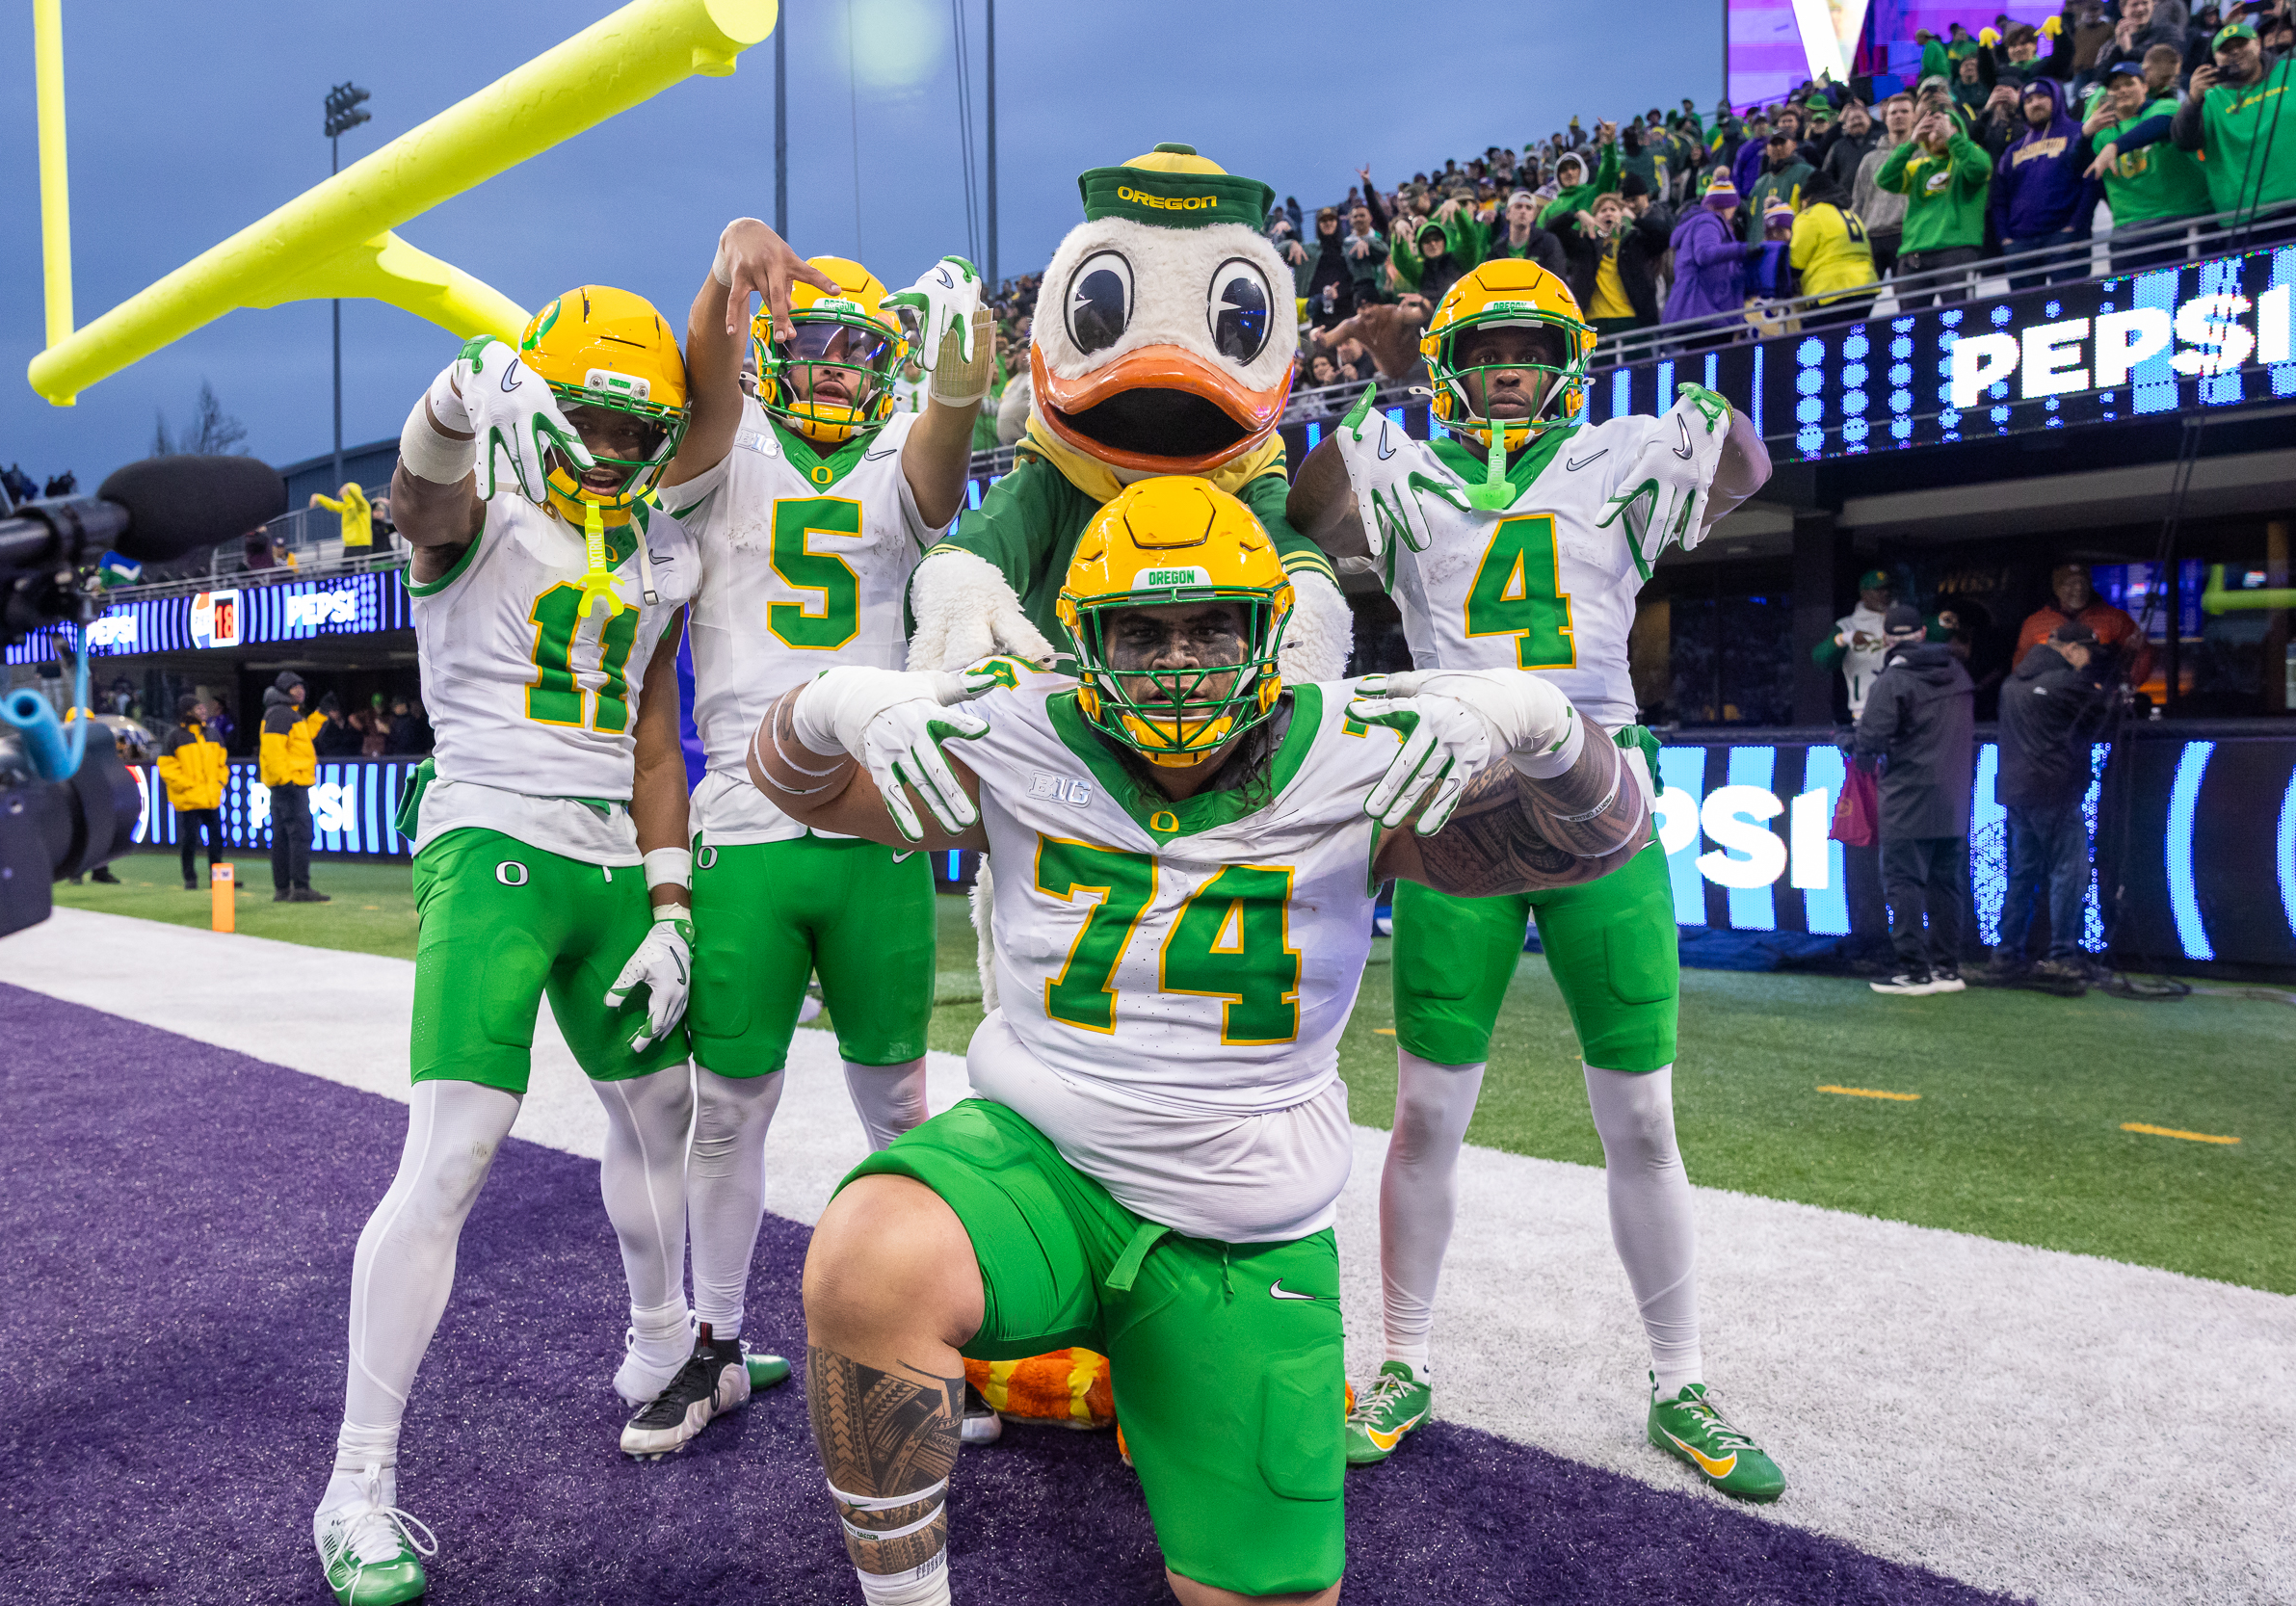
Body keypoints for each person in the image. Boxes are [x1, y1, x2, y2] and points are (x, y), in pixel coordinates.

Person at [768, 474, 1655, 1606]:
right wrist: (832, 701)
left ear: (1268, 634)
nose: (1176, 659)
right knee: (868, 1247)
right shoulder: (1015, 730)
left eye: (1207, 625)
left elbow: (1600, 843)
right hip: (1042, 1159)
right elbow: (801, 788)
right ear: (1085, 639)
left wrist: (1541, 723)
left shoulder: (1362, 750)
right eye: (1140, 629)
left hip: (1242, 1215)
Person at [1286, 261, 1784, 1499]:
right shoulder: (1401, 463)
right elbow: (1309, 508)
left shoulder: (1619, 455)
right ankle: (1404, 1361)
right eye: (1488, 345)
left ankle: (1680, 1380)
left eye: (1528, 343)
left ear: (1565, 353)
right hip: (1457, 803)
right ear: (1456, 360)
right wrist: (1393, 371)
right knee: (1428, 1113)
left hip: (1595, 794)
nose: (1508, 365)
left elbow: (1746, 464)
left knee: (1643, 1117)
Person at [314, 285, 705, 1604]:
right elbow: (414, 503)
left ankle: (661, 1344)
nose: (607, 446)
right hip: (491, 841)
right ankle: (356, 1480)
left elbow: (656, 738)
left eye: (631, 425)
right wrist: (442, 406)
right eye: (585, 416)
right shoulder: (483, 509)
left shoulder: (663, 549)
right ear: (532, 407)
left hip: (611, 858)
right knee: (454, 1149)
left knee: (665, 1114)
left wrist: (670, 905)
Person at [633, 222, 989, 1456]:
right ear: (781, 349)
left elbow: (944, 449)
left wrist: (957, 366)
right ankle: (718, 1340)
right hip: (745, 816)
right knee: (730, 1106)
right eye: (819, 341)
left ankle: (942, 1334)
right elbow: (710, 373)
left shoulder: (900, 454)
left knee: (900, 1101)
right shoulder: (724, 448)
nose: (839, 364)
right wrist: (729, 266)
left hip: (880, 818)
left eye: (861, 348)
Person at [1853, 604, 1976, 996]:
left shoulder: (1893, 680)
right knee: (1947, 884)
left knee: (1904, 881)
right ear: (1923, 633)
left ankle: (1914, 971)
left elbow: (1868, 744)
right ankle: (1946, 968)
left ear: (1888, 639)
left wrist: (1850, 741)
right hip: (1954, 798)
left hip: (1908, 796)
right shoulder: (1958, 672)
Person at [1988, 619, 2109, 984]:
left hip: (2016, 792)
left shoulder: (2013, 683)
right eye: (2087, 652)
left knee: (2023, 874)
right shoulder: (2069, 683)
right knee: (2069, 871)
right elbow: (2103, 715)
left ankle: (2005, 953)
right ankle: (2062, 954)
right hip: (2053, 790)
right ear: (2072, 650)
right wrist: (2097, 680)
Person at [2082, 53, 2214, 273]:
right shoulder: (2102, 132)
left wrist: (2114, 147)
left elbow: (2162, 125)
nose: (2121, 90)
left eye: (2128, 83)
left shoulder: (2166, 108)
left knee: (2190, 297)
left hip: (2183, 220)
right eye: (2114, 87)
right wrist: (2085, 132)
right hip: (2129, 232)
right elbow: (2076, 164)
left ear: (2144, 86)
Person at [2170, 22, 2296, 235]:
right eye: (2225, 50)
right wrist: (2192, 100)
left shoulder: (2291, 71)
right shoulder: (2209, 97)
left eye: (2241, 44)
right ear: (2215, 59)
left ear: (2257, 45)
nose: (2235, 52)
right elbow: (2185, 142)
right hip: (2245, 218)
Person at [1877, 103, 1993, 311]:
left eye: (1945, 125)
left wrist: (1954, 139)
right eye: (1931, 128)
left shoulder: (1971, 156)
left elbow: (1979, 170)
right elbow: (1884, 179)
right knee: (1909, 325)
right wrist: (1911, 143)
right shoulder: (1919, 167)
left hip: (1956, 251)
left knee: (1960, 316)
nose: (1937, 132)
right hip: (1914, 256)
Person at [1987, 77, 2095, 288]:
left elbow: (2090, 184)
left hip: (2065, 240)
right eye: (2028, 100)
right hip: (2020, 244)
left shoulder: (2077, 133)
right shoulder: (2013, 150)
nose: (2035, 103)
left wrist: (2074, 227)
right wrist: (2005, 239)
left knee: (2073, 313)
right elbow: (1999, 198)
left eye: (2042, 97)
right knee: (2026, 316)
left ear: (2056, 98)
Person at [1551, 190, 1672, 344]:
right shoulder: (1584, 244)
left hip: (1632, 320)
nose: (1608, 213)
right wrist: (1576, 215)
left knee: (1640, 367)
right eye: (1603, 210)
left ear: (1621, 216)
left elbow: (1665, 235)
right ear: (1594, 218)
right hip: (1593, 323)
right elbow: (1552, 230)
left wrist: (1635, 219)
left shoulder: (1635, 242)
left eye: (1613, 210)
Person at [2014, 563, 2155, 687]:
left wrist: (2123, 686)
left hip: (2099, 703)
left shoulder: (2115, 619)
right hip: (2052, 705)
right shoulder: (2035, 624)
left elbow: (2141, 655)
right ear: (2057, 588)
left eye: (2083, 582)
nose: (2079, 588)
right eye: (2070, 583)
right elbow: (2020, 667)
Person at [258, 672, 330, 904]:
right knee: (299, 835)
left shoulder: (285, 713)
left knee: (281, 837)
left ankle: (283, 889)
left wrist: (320, 715)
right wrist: (285, 780)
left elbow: (303, 737)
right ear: (283, 690)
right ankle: (300, 887)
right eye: (294, 687)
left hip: (283, 784)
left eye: (301, 685)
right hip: (290, 784)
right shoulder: (282, 713)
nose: (300, 690)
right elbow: (273, 751)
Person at [1662, 177, 1755, 345]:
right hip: (1703, 312)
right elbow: (1704, 254)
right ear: (1727, 205)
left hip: (1700, 312)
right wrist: (1743, 249)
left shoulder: (1701, 222)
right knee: (1713, 367)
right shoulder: (1708, 221)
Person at [156, 695, 228, 890]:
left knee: (216, 839)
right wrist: (187, 785)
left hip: (210, 796)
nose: (203, 710)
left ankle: (218, 877)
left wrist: (220, 781)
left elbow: (222, 762)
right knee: (190, 840)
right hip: (189, 799)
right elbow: (167, 768)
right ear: (187, 712)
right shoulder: (175, 736)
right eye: (198, 708)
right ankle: (190, 877)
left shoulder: (213, 734)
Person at [1788, 180, 1881, 325]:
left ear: (1806, 200)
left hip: (1831, 289)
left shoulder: (1810, 215)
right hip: (1866, 287)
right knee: (1855, 340)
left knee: (1826, 342)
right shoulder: (1850, 214)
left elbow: (1796, 261)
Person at [1812, 569, 1898, 720]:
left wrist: (1940, 624)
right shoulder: (1848, 625)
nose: (1885, 594)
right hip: (1866, 709)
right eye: (1878, 590)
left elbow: (1928, 632)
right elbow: (1820, 659)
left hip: (1902, 705)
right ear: (1864, 594)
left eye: (1887, 589)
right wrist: (1844, 638)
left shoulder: (1900, 620)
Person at [1486, 188, 1570, 277]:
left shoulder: (1549, 242)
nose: (1523, 211)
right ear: (1507, 213)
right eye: (1518, 206)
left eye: (1528, 208)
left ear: (1533, 215)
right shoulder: (1497, 250)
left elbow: (1556, 278)